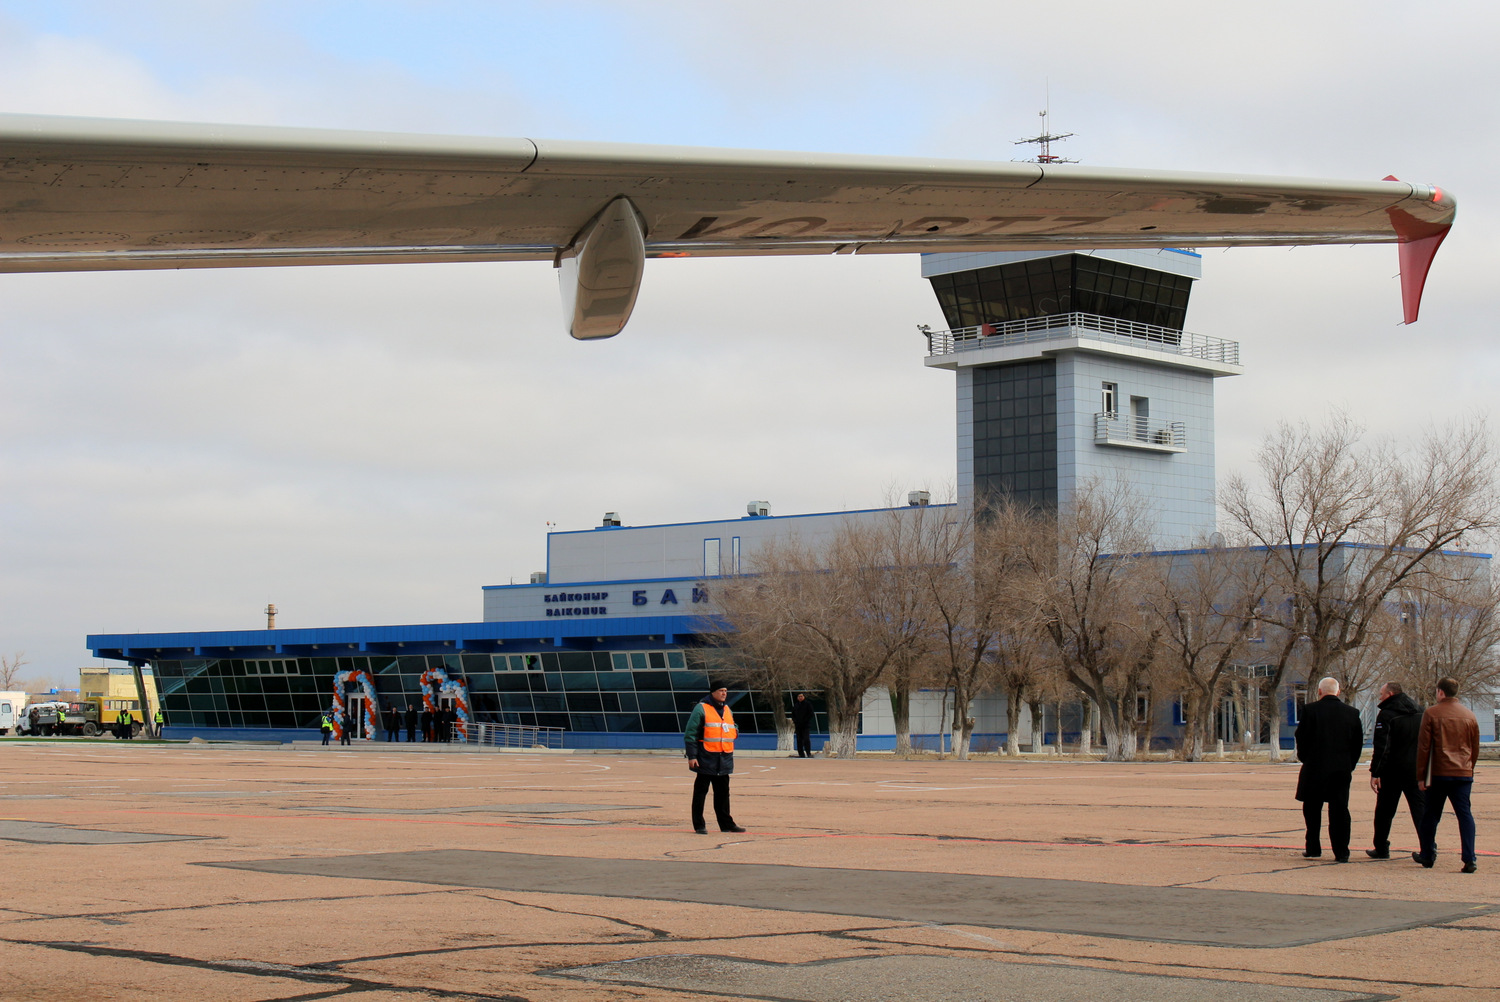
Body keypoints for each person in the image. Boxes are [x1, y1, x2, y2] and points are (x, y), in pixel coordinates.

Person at [1412, 676, 1480, 873]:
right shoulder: (1469, 715)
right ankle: (1469, 857)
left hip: (1438, 772)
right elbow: (1474, 747)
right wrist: (1469, 767)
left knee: (1431, 815)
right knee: (1464, 815)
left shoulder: (1431, 713)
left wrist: (1421, 775)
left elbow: (1424, 747)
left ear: (1440, 692)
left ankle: (1427, 854)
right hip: (1463, 772)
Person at [1294, 677, 1363, 862]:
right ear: (1338, 692)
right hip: (1341, 769)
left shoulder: (1310, 710)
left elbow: (1301, 737)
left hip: (1315, 768)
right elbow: (1357, 743)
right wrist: (1349, 764)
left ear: (1319, 691)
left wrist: (1306, 758)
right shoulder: (1352, 713)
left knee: (1312, 808)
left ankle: (1313, 847)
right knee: (1340, 810)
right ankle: (1341, 852)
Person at [1367, 681, 1425, 859]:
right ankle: (1428, 846)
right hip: (1416, 769)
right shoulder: (1421, 712)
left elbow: (1382, 746)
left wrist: (1375, 772)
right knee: (1420, 809)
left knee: (1384, 811)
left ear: (1390, 694)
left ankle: (1381, 847)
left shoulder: (1387, 715)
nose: (1379, 697)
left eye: (1381, 694)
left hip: (1392, 771)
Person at [684, 684, 747, 835]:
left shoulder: (727, 709)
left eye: (726, 691)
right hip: (706, 758)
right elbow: (690, 734)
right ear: (713, 692)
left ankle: (726, 824)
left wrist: (735, 730)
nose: (724, 693)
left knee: (723, 794)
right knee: (700, 793)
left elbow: (732, 726)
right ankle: (699, 825)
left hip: (724, 758)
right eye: (721, 691)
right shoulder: (701, 708)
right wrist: (692, 756)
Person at [791, 693, 815, 758]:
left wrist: (805, 720)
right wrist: (795, 721)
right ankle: (801, 754)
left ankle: (808, 753)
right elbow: (793, 714)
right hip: (798, 726)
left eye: (801, 696)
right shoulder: (796, 705)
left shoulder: (808, 704)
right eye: (799, 696)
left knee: (806, 739)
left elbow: (811, 713)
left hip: (805, 725)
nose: (800, 697)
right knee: (799, 740)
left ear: (804, 697)